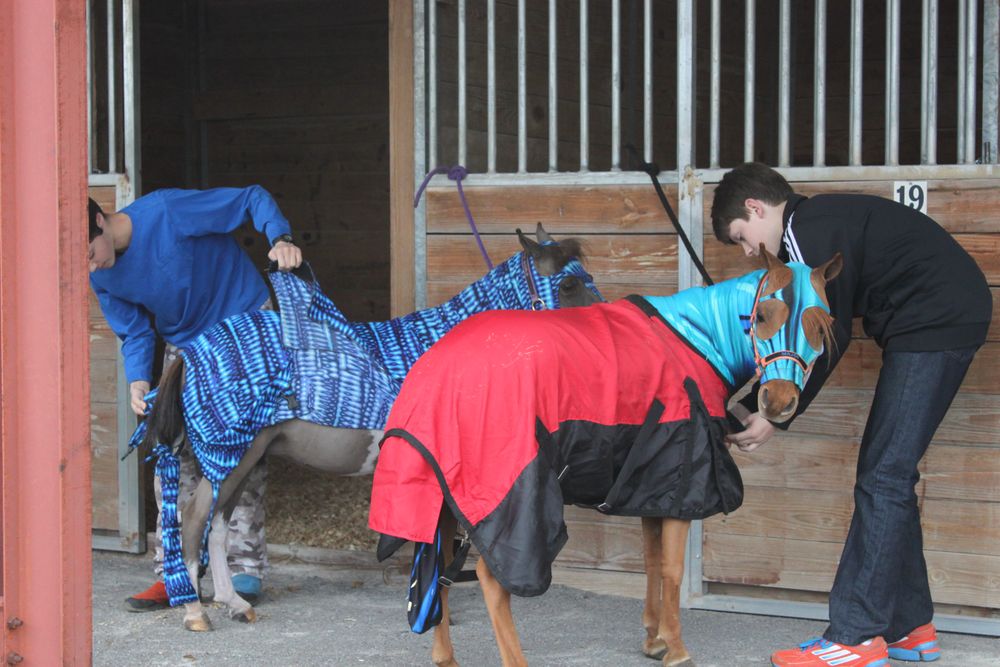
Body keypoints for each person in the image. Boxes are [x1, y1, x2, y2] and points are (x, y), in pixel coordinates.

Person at [710, 163, 992, 667]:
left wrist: (768, 413)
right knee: (889, 477)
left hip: (933, 321)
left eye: (741, 237)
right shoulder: (818, 222)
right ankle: (909, 627)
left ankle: (855, 637)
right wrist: (758, 404)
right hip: (942, 315)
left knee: (883, 477)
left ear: (755, 208)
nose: (749, 251)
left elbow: (820, 341)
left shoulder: (806, 237)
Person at [88, 186, 303, 611]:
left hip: (242, 320)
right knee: (170, 449)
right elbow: (134, 331)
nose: (90, 265)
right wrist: (137, 380)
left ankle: (245, 567)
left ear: (98, 222)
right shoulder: (99, 271)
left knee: (242, 448)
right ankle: (175, 572)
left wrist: (280, 237)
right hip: (185, 342)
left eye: (89, 252)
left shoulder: (167, 212)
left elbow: (250, 198)